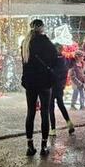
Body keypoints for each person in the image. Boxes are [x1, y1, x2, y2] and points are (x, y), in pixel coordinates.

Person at [20, 19, 56, 156]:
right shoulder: (46, 42)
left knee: (30, 112)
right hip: (44, 82)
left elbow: (24, 62)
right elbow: (54, 59)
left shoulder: (25, 43)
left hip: (30, 82)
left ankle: (30, 146)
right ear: (42, 28)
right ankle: (44, 146)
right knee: (44, 112)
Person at [49, 44, 75, 136]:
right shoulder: (65, 60)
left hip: (52, 86)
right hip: (60, 86)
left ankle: (53, 129)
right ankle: (68, 122)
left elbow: (50, 72)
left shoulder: (53, 61)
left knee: (51, 107)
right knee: (61, 105)